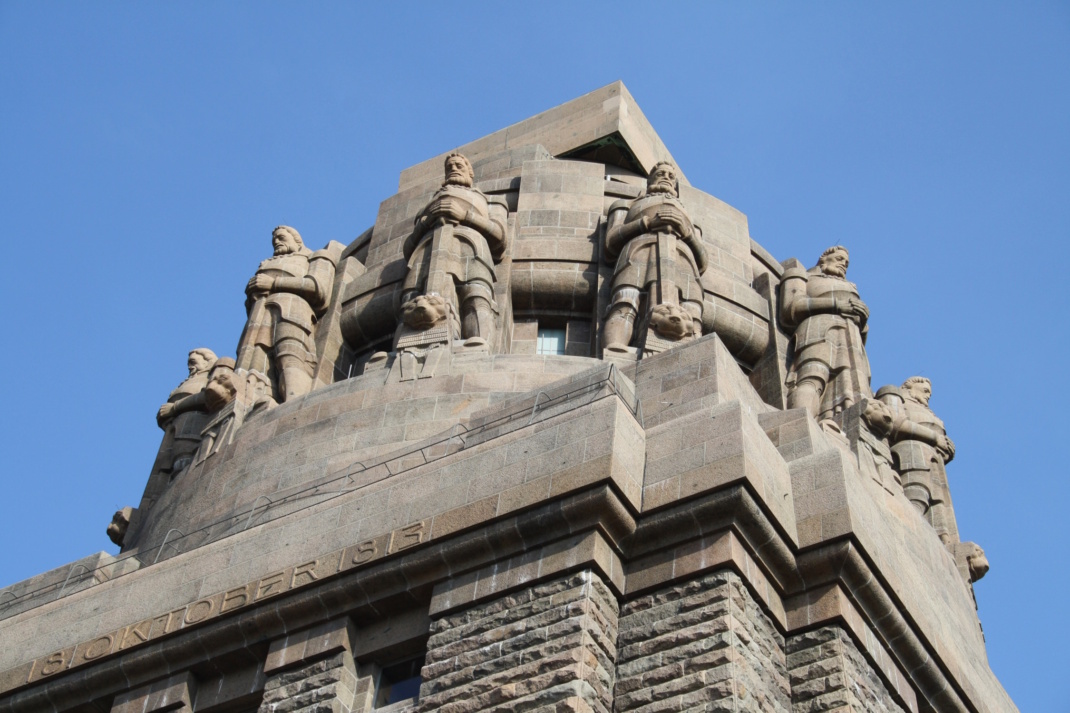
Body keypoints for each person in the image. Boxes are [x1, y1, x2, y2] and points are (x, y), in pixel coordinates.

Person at [401, 152, 508, 346]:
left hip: (471, 249)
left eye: (459, 166)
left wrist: (464, 215)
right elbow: (408, 248)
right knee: (411, 302)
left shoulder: (491, 201)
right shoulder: (426, 208)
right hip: (425, 255)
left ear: (470, 172)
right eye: (449, 167)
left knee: (476, 296)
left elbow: (500, 237)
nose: (453, 169)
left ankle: (479, 345)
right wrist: (426, 223)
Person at [602, 161, 707, 351]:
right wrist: (647, 223)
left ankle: (695, 354)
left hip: (683, 262)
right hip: (638, 253)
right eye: (661, 173)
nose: (666, 177)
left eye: (671, 176)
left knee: (693, 314)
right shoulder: (625, 205)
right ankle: (615, 348)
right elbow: (610, 241)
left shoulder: (691, 219)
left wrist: (686, 232)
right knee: (626, 301)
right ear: (649, 179)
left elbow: (703, 261)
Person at [237, 225, 338, 402]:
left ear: (297, 240)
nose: (276, 242)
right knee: (259, 365)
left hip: (292, 311)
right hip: (260, 316)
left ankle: (295, 401)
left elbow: (319, 290)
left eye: (281, 237)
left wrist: (273, 283)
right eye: (274, 240)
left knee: (290, 356)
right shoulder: (268, 263)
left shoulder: (316, 256)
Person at [780, 246, 872, 420]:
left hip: (850, 339)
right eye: (839, 259)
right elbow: (791, 309)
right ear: (824, 259)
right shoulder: (803, 276)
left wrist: (862, 319)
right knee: (813, 377)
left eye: (846, 262)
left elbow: (863, 332)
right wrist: (837, 305)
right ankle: (801, 423)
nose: (844, 264)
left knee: (851, 388)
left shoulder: (851, 287)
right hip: (819, 331)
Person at [878, 377, 959, 544]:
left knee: (937, 508)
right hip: (911, 451)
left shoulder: (929, 413)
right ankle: (909, 526)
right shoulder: (897, 396)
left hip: (933, 461)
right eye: (925, 390)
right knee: (916, 496)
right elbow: (896, 423)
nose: (928, 395)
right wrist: (935, 437)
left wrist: (946, 448)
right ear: (909, 388)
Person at [153, 347, 217, 475]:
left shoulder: (210, 377)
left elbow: (209, 395)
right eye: (188, 363)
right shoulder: (190, 380)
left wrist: (174, 407)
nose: (190, 366)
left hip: (192, 424)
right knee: (166, 468)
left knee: (184, 463)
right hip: (174, 429)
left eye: (193, 362)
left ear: (207, 362)